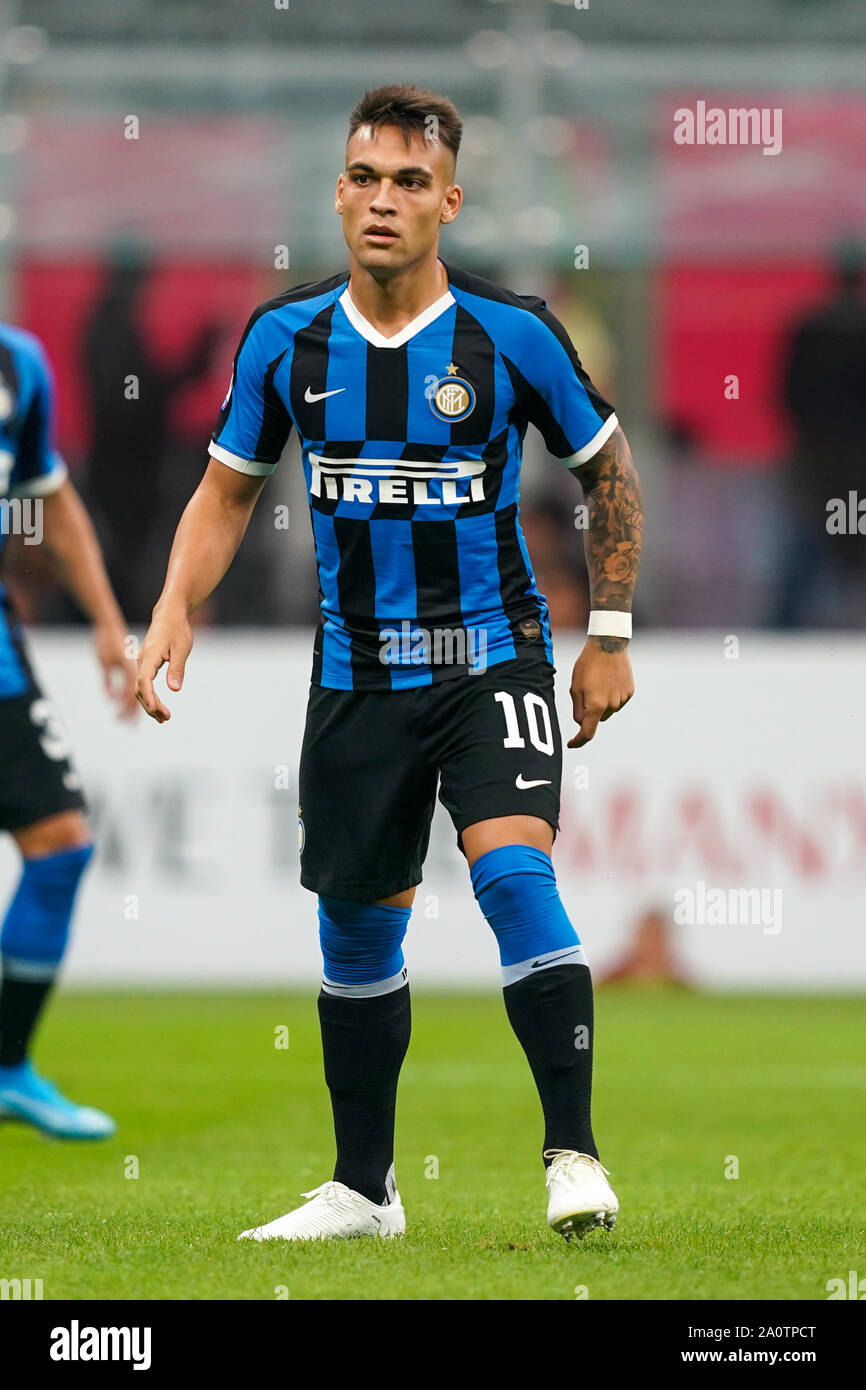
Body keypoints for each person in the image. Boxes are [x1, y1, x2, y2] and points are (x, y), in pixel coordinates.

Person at [136, 84, 643, 1241]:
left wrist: (605, 635)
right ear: (337, 191)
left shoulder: (510, 336)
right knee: (358, 932)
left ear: (447, 203)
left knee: (514, 876)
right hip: (356, 675)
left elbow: (607, 475)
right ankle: (364, 1191)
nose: (382, 200)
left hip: (491, 659)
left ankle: (573, 1155)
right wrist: (172, 603)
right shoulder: (286, 338)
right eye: (363, 177)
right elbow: (225, 493)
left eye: (409, 182)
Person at [0, 322, 137, 1138]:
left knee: (61, 844)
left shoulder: (20, 363)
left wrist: (105, 620)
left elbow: (48, 495)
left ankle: (9, 1066)